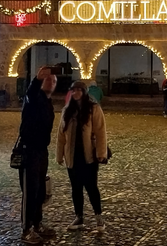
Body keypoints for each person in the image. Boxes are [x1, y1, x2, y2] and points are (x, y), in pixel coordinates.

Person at [56, 81, 107, 232]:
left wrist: (101, 153)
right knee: (76, 188)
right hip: (72, 156)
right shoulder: (67, 110)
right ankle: (79, 217)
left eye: (79, 90)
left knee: (91, 187)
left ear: (84, 92)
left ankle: (99, 218)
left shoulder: (93, 109)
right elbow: (61, 135)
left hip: (89, 156)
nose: (76, 92)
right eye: (74, 90)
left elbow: (100, 132)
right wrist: (59, 155)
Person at [18, 67, 57, 245]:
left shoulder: (48, 102)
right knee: (30, 191)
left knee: (40, 190)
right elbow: (30, 93)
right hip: (29, 150)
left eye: (54, 81)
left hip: (42, 150)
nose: (51, 82)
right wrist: (36, 80)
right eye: (47, 80)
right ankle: (26, 230)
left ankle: (37, 225)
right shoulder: (34, 98)